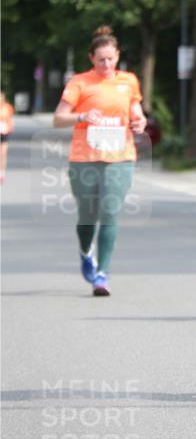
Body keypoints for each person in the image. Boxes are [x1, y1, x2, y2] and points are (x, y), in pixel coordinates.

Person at [53, 26, 146, 297]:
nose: (106, 64)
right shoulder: (80, 82)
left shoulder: (128, 81)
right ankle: (86, 251)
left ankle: (102, 274)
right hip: (84, 158)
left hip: (120, 156)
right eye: (101, 59)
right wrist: (82, 117)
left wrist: (139, 122)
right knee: (87, 216)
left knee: (109, 213)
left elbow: (135, 111)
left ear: (117, 56)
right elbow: (58, 118)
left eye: (111, 58)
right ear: (91, 58)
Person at [0, 91, 15, 182]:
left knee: (3, 153)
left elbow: (10, 119)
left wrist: (11, 127)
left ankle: (2, 173)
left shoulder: (7, 107)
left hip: (4, 132)